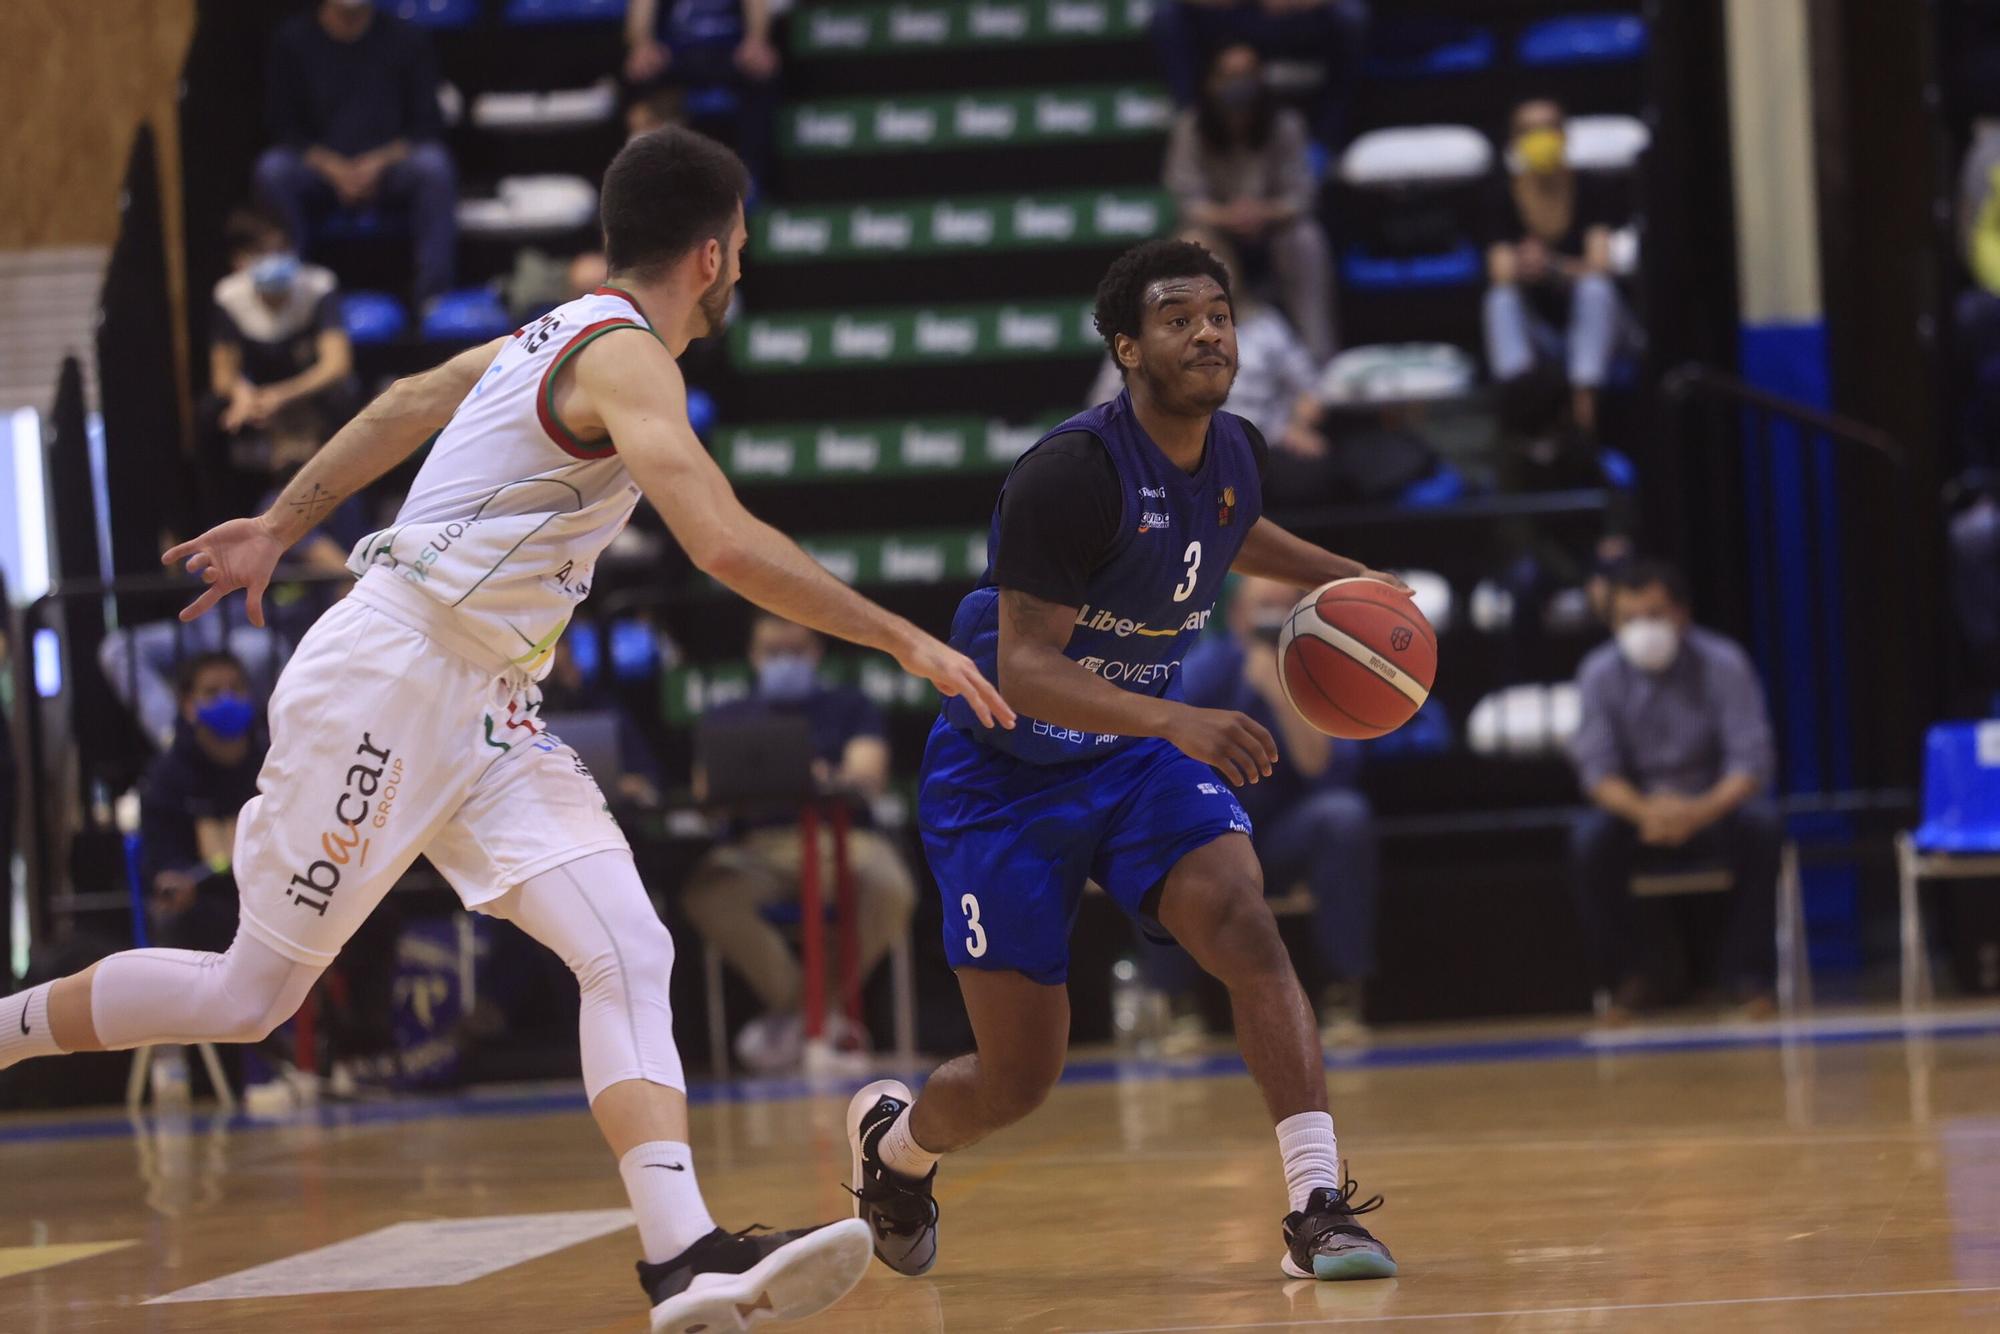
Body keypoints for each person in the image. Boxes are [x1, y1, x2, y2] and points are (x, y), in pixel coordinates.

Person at [0, 125, 1012, 1332]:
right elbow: (723, 540)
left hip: (485, 703)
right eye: (738, 248)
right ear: (709, 254)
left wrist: (278, 522)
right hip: (393, 673)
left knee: (627, 947)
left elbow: (408, 397)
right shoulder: (627, 357)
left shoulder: (554, 329)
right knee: (247, 993)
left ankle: (681, 1254)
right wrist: (901, 636)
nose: (738, 267)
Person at [845, 238, 1401, 1284]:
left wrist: (1351, 577)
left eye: (1219, 314)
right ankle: (896, 1144)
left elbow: (1231, 531)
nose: (1206, 331)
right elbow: (1025, 668)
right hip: (1002, 773)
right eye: (1178, 316)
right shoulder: (1069, 473)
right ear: (1125, 347)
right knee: (1018, 1076)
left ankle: (1316, 1203)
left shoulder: (1233, 449)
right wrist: (1176, 723)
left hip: (1132, 751)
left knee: (1242, 922)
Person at [681, 613, 918, 1072]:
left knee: (890, 886)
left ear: (816, 653)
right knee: (706, 895)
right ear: (753, 657)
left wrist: (825, 776)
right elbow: (704, 792)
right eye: (773, 653)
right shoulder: (726, 717)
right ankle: (819, 1020)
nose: (784, 661)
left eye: (795, 651)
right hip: (755, 849)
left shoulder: (851, 707)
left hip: (840, 840)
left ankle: (797, 1022)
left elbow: (868, 773)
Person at [1567, 559, 1781, 1020]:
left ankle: (1746, 977)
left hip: (1712, 807)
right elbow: (1597, 772)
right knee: (1588, 841)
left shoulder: (1724, 662)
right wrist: (1647, 812)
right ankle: (1632, 978)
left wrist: (1696, 811)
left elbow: (1751, 762)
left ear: (1682, 613)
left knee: (1762, 827)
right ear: (1613, 622)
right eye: (1629, 618)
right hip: (1639, 816)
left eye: (1656, 614)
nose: (1643, 628)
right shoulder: (1599, 673)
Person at [1182, 577, 1379, 1034]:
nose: (1271, 617)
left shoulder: (1322, 677)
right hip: (1214, 835)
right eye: (1262, 606)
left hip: (1287, 834)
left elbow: (1325, 771)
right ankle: (1176, 1006)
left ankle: (1341, 995)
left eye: (1282, 606)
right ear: (1236, 617)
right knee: (1150, 824)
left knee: (1345, 817)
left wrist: (1278, 690)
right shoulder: (1206, 668)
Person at [256, 0, 457, 303]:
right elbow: (282, 127)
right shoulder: (292, 40)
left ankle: (434, 300)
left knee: (434, 166)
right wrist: (332, 168)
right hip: (321, 170)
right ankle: (292, 298)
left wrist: (379, 162)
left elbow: (427, 123)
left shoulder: (407, 37)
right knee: (273, 169)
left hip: (388, 168)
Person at [1164, 45, 1335, 361]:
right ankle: (1218, 360)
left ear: (1261, 79)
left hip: (1274, 230)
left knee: (1306, 238)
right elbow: (1188, 202)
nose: (1237, 84)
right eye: (1227, 76)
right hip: (1219, 232)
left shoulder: (1285, 124)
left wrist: (1261, 213)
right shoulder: (1191, 127)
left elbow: (1302, 197)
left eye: (1245, 75)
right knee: (1192, 245)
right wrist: (1230, 217)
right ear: (1210, 82)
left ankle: (1318, 360)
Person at [1482, 98, 1635, 440]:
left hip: (1598, 329)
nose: (1541, 138)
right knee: (1500, 301)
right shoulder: (1502, 195)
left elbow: (1600, 266)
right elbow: (1500, 272)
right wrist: (1525, 265)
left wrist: (1552, 265)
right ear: (1513, 142)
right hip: (1542, 334)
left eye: (1548, 128)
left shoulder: (1592, 188)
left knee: (1596, 290)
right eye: (1529, 131)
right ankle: (1521, 424)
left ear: (1565, 135)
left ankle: (1584, 423)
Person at [209, 207, 358, 509]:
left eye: (281, 249)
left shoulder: (318, 287)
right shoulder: (229, 297)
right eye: (263, 252)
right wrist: (244, 394)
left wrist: (281, 396)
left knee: (346, 396)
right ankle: (221, 512)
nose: (276, 259)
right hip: (258, 397)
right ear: (240, 260)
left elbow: (337, 365)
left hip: (308, 392)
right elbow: (223, 374)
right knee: (211, 414)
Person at [138, 653, 265, 957]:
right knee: (176, 921)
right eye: (211, 692)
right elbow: (161, 862)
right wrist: (174, 881)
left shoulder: (274, 761)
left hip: (274, 900)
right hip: (205, 906)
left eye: (236, 689)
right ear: (188, 706)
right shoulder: (166, 778)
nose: (227, 699)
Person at [1152, 0, 1369, 147]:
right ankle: (1198, 132)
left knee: (1350, 16)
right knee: (1168, 14)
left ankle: (1324, 143)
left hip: (1298, 13)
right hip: (1235, 13)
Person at [625, 0, 780, 188]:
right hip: (677, 52)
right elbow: (642, 8)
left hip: (730, 50)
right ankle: (651, 180)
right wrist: (642, 43)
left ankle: (752, 178)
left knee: (763, 72)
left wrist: (757, 39)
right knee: (640, 73)